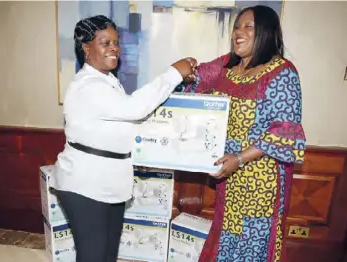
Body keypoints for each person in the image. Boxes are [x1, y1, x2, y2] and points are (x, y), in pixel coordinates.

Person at [51, 15, 196, 262]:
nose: (114, 48)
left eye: (116, 42)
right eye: (105, 42)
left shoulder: (108, 81)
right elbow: (135, 108)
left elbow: (125, 123)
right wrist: (173, 73)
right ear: (87, 48)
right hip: (85, 184)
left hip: (109, 182)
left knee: (107, 254)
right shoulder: (88, 86)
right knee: (93, 256)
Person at [180, 5, 306, 262]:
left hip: (262, 179)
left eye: (248, 26)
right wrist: (184, 69)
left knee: (252, 240)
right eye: (237, 26)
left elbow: (284, 131)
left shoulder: (281, 72)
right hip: (230, 175)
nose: (239, 32)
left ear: (266, 33)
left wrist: (240, 158)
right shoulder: (227, 66)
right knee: (227, 234)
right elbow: (195, 80)